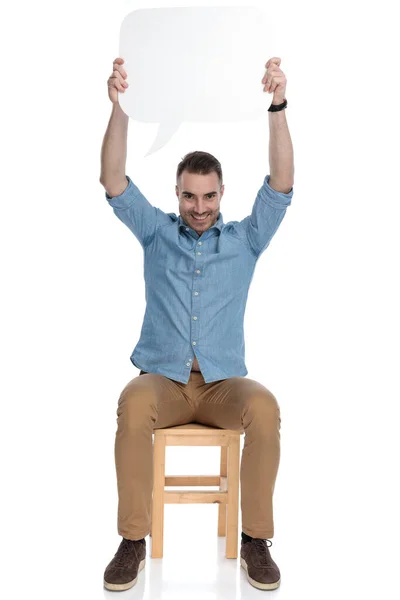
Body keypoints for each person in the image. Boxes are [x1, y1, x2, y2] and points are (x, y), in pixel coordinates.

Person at [100, 56, 294, 592]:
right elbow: (113, 179)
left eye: (209, 196)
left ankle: (255, 540)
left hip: (221, 387)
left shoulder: (245, 241)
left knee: (265, 404)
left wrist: (277, 105)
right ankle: (132, 541)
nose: (199, 206)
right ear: (177, 194)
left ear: (221, 195)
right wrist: (118, 107)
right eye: (189, 195)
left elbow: (281, 184)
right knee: (132, 400)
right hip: (162, 382)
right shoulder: (155, 233)